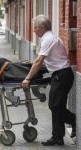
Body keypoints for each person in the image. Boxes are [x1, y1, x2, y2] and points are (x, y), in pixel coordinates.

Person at [21, 15, 76, 146]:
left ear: (43, 27)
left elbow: (39, 60)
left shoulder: (48, 38)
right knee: (57, 106)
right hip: (59, 74)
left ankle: (75, 120)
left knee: (55, 106)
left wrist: (27, 78)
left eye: (35, 27)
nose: (33, 30)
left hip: (62, 75)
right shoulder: (47, 38)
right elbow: (41, 59)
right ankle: (57, 137)